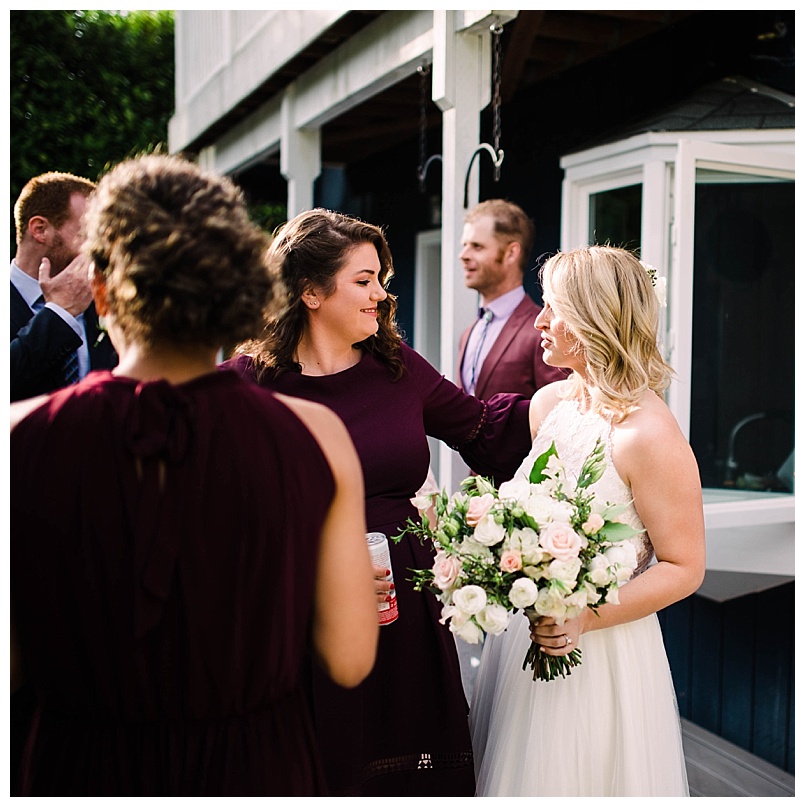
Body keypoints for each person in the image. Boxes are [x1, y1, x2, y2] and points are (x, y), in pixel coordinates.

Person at [9, 154, 379, 795]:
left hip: (84, 772)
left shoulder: (21, 438)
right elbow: (349, 658)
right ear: (233, 290)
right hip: (255, 771)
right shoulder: (315, 438)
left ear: (100, 290)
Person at [223, 208, 533, 796]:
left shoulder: (396, 368)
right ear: (310, 292)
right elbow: (212, 521)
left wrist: (572, 404)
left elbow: (482, 430)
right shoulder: (247, 385)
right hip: (299, 619)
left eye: (379, 279)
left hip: (404, 608)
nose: (380, 295)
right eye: (363, 281)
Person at [469, 245, 706, 796]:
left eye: (554, 308)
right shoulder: (551, 403)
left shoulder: (649, 437)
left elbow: (685, 566)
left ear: (597, 318)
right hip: (523, 644)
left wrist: (584, 618)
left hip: (599, 649)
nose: (539, 321)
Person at [10, 171, 118, 401]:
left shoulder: (102, 300)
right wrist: (59, 314)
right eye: (88, 232)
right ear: (39, 229)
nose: (99, 247)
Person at [457, 198, 568, 398]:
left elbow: (558, 411)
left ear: (511, 253)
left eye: (477, 246)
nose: (463, 255)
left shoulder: (542, 333)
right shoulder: (468, 334)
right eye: (464, 245)